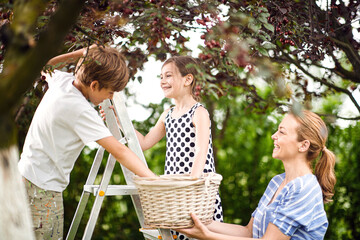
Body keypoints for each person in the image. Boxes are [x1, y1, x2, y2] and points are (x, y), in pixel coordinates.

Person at [18, 44, 156, 240]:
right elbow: (120, 151)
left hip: (28, 177)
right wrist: (153, 180)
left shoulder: (64, 81)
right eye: (110, 93)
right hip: (41, 189)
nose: (111, 97)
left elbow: (43, 65)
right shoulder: (80, 109)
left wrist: (81, 53)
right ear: (94, 85)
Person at [103, 55, 223, 239]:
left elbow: (201, 151)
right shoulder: (167, 114)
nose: (163, 81)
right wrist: (120, 122)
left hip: (196, 193)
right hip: (174, 195)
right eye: (161, 77)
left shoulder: (199, 112)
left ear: (188, 79)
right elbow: (143, 143)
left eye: (168, 76)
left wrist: (190, 187)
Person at [177, 110, 336, 240]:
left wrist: (207, 236)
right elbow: (249, 232)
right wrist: (194, 221)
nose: (274, 136)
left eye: (282, 132)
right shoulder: (277, 181)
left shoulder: (304, 188)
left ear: (303, 145)